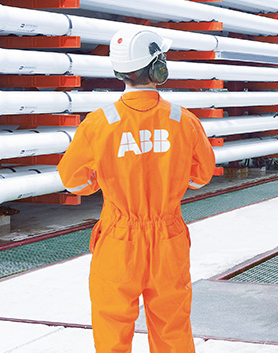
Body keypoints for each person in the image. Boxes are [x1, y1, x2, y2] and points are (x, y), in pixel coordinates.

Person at [58, 29, 215, 353]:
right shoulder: (182, 120)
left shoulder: (100, 123)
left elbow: (72, 180)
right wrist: (168, 180)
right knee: (172, 326)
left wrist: (104, 181)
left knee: (112, 327)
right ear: (158, 68)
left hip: (119, 238)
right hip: (167, 238)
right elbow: (202, 176)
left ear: (119, 71)